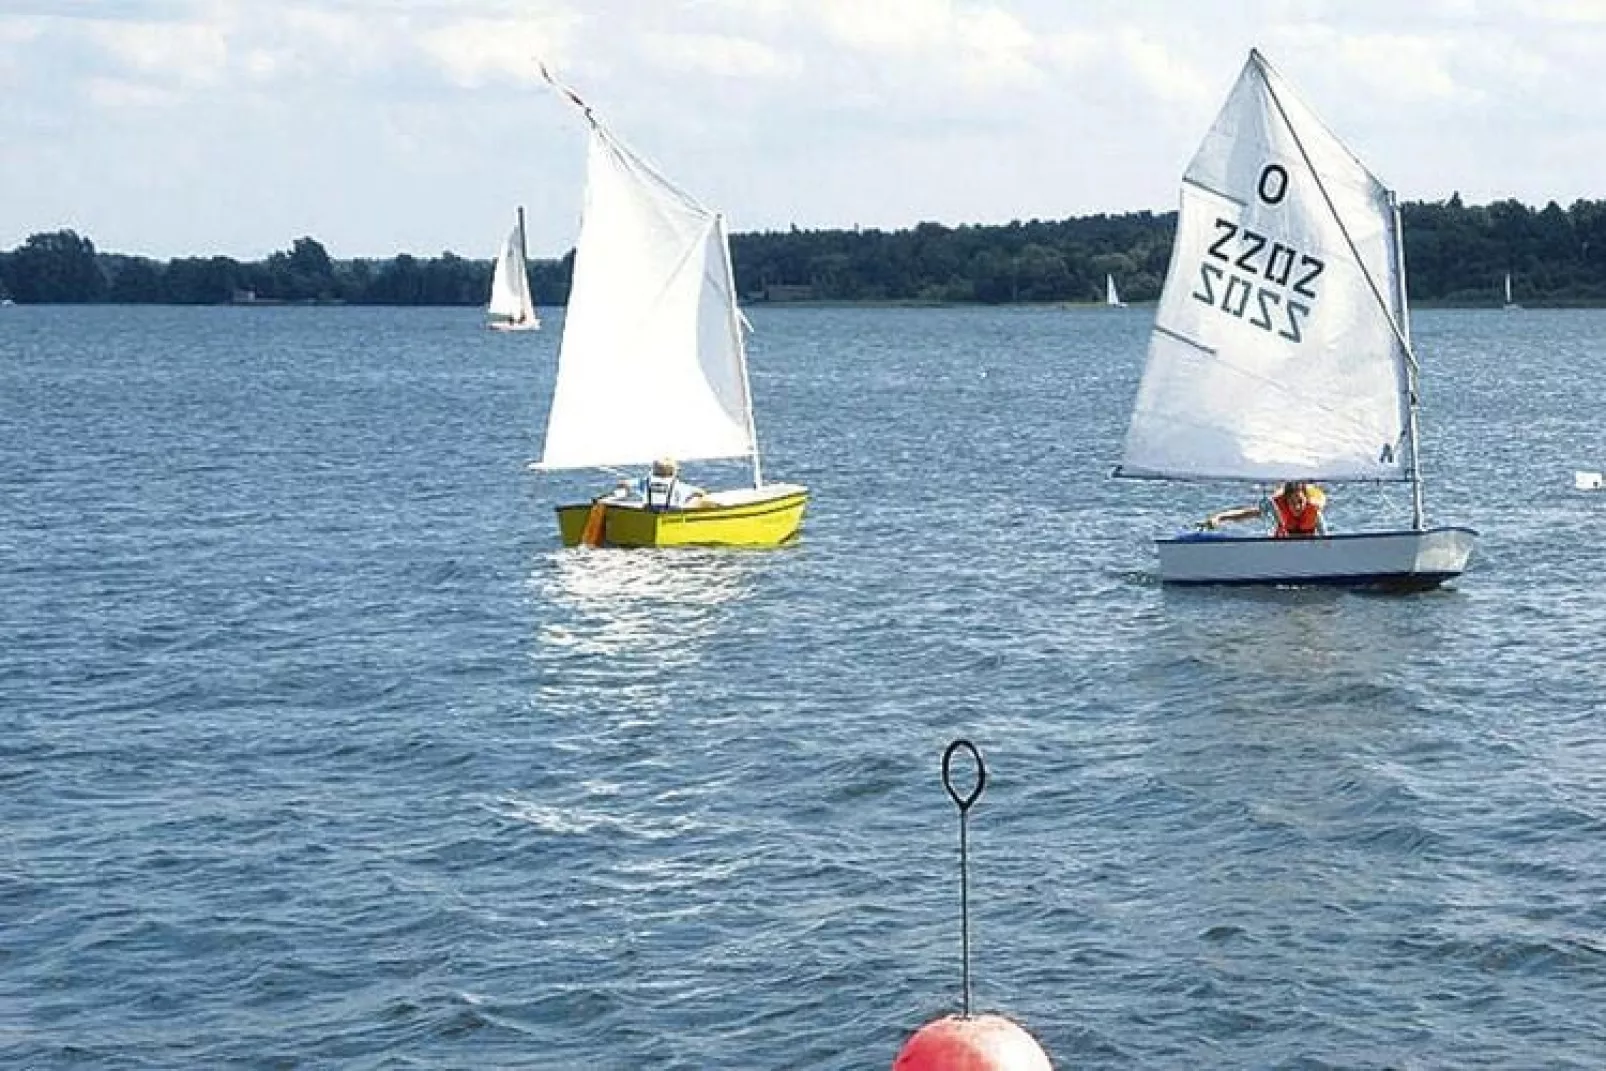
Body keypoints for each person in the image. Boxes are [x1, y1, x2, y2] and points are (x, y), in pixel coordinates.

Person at [1202, 481, 1327, 538]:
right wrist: (1218, 517)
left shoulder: (1314, 510)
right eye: (1292, 503)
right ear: (1285, 501)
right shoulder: (1277, 508)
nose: (1297, 507)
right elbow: (1246, 514)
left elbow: (1326, 539)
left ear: (1306, 499)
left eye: (1301, 502)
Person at [613, 458, 709, 510]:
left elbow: (623, 483)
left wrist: (626, 491)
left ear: (653, 471)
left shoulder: (644, 482)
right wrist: (690, 499)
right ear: (673, 472)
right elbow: (701, 492)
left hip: (649, 512)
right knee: (698, 500)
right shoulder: (678, 485)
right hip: (671, 513)